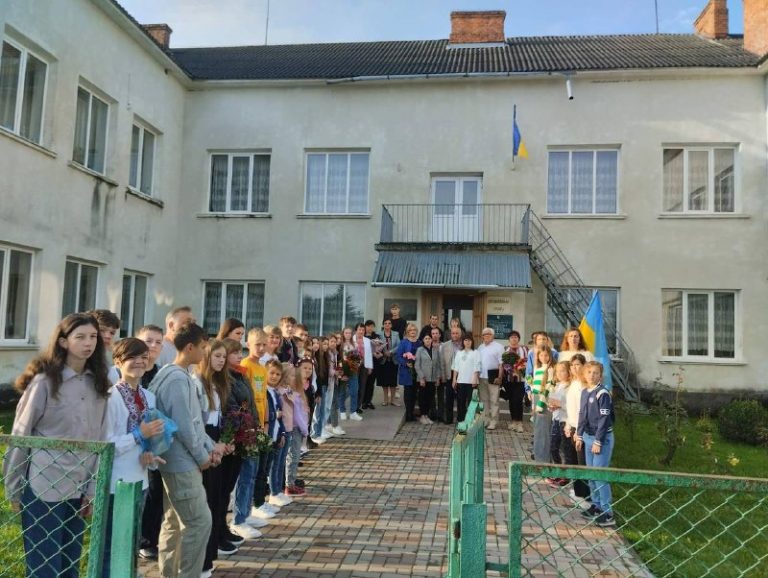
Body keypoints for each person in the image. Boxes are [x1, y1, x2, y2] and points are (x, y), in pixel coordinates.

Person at [4, 313, 110, 578]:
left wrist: (92, 489)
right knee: (44, 569)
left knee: (69, 567)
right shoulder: (45, 382)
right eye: (80, 337)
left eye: (93, 337)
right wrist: (13, 487)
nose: (89, 343)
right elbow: (21, 435)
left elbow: (100, 440)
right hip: (44, 486)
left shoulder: (99, 384)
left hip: (79, 487)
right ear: (63, 342)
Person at [149, 322, 225, 578]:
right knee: (199, 522)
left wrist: (210, 447)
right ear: (190, 347)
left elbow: (194, 423)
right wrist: (203, 457)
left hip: (177, 460)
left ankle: (169, 573)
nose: (205, 352)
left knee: (173, 521)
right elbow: (184, 426)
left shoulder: (175, 374)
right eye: (203, 347)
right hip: (180, 462)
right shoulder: (176, 379)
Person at [103, 338, 165, 578]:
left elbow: (149, 437)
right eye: (132, 357)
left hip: (141, 479)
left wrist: (150, 452)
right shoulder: (109, 397)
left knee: (131, 540)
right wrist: (139, 435)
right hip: (117, 482)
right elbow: (106, 444)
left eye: (143, 357)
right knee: (112, 543)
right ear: (118, 361)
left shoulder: (149, 397)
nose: (139, 362)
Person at [192, 339, 238, 574]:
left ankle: (209, 556)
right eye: (216, 356)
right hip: (205, 439)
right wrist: (213, 445)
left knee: (218, 498)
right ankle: (201, 561)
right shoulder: (196, 382)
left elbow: (223, 415)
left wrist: (227, 439)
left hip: (217, 437)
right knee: (207, 501)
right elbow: (196, 422)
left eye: (223, 357)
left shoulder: (219, 383)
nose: (221, 360)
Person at [227, 337, 266, 540]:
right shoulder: (228, 379)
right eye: (234, 353)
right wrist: (245, 428)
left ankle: (245, 513)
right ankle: (238, 520)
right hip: (240, 434)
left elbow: (251, 404)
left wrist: (257, 425)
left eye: (239, 352)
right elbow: (234, 407)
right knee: (243, 477)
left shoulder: (241, 375)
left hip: (251, 431)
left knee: (251, 474)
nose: (239, 356)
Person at [135, 324, 166, 561]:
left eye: (157, 342)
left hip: (154, 442)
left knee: (155, 492)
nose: (153, 346)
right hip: (130, 442)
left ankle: (148, 539)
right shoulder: (129, 371)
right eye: (148, 340)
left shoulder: (162, 374)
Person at [576, 361, 616, 527]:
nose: (592, 375)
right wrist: (579, 435)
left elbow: (604, 419)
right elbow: (582, 414)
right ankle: (596, 505)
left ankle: (608, 513)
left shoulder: (602, 393)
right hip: (588, 437)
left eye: (596, 373)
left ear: (600, 375)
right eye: (589, 372)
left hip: (601, 439)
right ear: (584, 374)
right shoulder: (585, 391)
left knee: (599, 475)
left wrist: (598, 441)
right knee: (591, 475)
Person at [262, 360, 290, 514]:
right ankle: (268, 496)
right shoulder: (264, 391)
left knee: (274, 465)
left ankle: (275, 492)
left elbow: (281, 417)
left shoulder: (275, 392)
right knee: (266, 470)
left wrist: (283, 433)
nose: (274, 376)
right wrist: (274, 415)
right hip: (268, 436)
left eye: (278, 374)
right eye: (272, 373)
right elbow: (266, 414)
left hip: (276, 434)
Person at [281, 358, 311, 496]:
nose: (295, 378)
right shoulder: (288, 393)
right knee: (293, 457)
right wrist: (305, 429)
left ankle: (290, 482)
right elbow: (297, 415)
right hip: (294, 428)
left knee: (294, 456)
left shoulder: (295, 392)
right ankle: (289, 484)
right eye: (292, 376)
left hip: (297, 428)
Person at [563, 354, 590, 501]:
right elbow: (571, 407)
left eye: (578, 364)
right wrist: (568, 424)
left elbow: (583, 409)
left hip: (581, 429)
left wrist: (579, 431)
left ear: (584, 366)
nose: (574, 368)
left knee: (582, 462)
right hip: (572, 426)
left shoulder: (584, 385)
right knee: (573, 461)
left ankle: (586, 496)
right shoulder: (573, 383)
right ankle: (578, 491)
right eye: (572, 365)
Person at [546, 360, 572, 488]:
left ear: (569, 372)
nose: (560, 374)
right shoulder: (558, 385)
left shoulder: (570, 387)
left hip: (565, 421)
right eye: (558, 371)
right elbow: (553, 401)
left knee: (566, 448)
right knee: (553, 447)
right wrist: (551, 406)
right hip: (556, 419)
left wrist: (559, 405)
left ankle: (565, 476)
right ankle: (558, 472)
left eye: (563, 371)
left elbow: (571, 406)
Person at [499, 330, 528, 433]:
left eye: (516, 337)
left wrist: (519, 366)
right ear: (509, 339)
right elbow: (502, 363)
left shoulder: (524, 349)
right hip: (509, 380)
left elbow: (527, 361)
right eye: (512, 337)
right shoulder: (505, 349)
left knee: (518, 401)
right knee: (511, 401)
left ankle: (519, 423)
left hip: (521, 379)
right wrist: (508, 369)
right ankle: (513, 421)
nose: (514, 339)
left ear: (518, 339)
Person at [477, 327, 504, 430]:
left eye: (489, 334)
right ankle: (486, 420)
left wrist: (499, 377)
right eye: (484, 334)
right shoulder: (480, 347)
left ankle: (493, 421)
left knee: (494, 400)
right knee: (483, 400)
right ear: (482, 336)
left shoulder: (499, 347)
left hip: (493, 377)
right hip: (482, 377)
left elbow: (501, 364)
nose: (486, 336)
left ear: (493, 336)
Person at [532, 346, 555, 463]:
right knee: (537, 430)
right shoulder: (537, 368)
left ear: (550, 356)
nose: (544, 357)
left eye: (546, 355)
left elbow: (548, 387)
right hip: (536, 398)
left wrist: (541, 403)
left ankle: (543, 460)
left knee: (543, 432)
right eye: (541, 355)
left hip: (544, 401)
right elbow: (536, 386)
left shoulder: (550, 369)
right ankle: (538, 457)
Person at [451, 332, 480, 423]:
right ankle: (461, 419)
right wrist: (454, 379)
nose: (467, 342)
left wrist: (474, 378)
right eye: (465, 340)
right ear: (463, 342)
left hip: (471, 382)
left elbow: (477, 366)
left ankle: (470, 420)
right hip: (461, 381)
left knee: (471, 402)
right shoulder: (459, 353)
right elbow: (455, 367)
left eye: (469, 340)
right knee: (460, 402)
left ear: (472, 342)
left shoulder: (475, 352)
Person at [395, 323, 421, 422]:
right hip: (407, 371)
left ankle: (412, 413)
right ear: (407, 332)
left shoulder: (420, 342)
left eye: (414, 330)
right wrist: (406, 363)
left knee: (414, 393)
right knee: (408, 393)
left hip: (417, 371)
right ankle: (409, 414)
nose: (412, 332)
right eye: (410, 330)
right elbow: (398, 356)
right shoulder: (403, 342)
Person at [414, 333, 441, 425]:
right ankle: (422, 416)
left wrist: (438, 377)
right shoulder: (420, 350)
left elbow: (438, 365)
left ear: (431, 340)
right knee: (422, 398)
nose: (428, 340)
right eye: (426, 338)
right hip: (423, 379)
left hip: (432, 378)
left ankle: (426, 416)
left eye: (429, 338)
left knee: (430, 398)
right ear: (423, 340)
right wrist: (421, 377)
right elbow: (417, 365)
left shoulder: (435, 350)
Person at [338, 327, 362, 422]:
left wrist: (357, 363)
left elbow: (357, 357)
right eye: (346, 333)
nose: (348, 335)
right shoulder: (340, 345)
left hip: (353, 370)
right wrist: (341, 372)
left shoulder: (354, 344)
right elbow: (338, 359)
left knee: (354, 391)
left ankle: (353, 412)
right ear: (343, 334)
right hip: (343, 371)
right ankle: (342, 410)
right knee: (342, 392)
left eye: (349, 333)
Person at [439, 326, 463, 424]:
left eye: (457, 333)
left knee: (461, 398)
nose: (455, 335)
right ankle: (449, 418)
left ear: (460, 334)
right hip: (449, 373)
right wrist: (443, 376)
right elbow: (442, 362)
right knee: (449, 398)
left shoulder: (465, 344)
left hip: (462, 374)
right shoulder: (445, 345)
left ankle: (461, 419)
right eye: (453, 333)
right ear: (450, 334)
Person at [324, 334, 346, 436]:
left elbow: (338, 365)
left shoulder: (336, 353)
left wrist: (340, 373)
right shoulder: (326, 354)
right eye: (331, 341)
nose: (333, 343)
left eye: (335, 341)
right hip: (329, 381)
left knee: (333, 402)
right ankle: (335, 425)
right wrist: (335, 373)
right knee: (333, 403)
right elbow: (327, 368)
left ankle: (329, 423)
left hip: (335, 381)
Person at [377, 319, 400, 406]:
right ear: (383, 325)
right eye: (385, 323)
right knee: (384, 381)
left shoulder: (396, 334)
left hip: (393, 360)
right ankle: (385, 400)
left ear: (391, 325)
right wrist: (384, 353)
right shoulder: (379, 334)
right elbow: (376, 346)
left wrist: (390, 352)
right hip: (383, 360)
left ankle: (393, 400)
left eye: (389, 323)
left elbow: (399, 345)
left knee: (393, 381)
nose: (387, 325)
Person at [353, 323, 374, 414]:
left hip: (364, 365)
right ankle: (353, 406)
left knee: (362, 386)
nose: (361, 331)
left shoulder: (367, 340)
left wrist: (370, 367)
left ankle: (358, 406)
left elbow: (369, 354)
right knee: (354, 386)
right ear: (356, 330)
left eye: (363, 330)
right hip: (354, 365)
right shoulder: (351, 339)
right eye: (359, 330)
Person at [361, 320, 379, 410]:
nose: (370, 328)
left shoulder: (376, 336)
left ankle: (369, 401)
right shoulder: (362, 336)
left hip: (374, 362)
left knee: (371, 383)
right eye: (368, 326)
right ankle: (363, 401)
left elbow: (379, 348)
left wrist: (378, 352)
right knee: (364, 383)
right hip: (364, 362)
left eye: (372, 326)